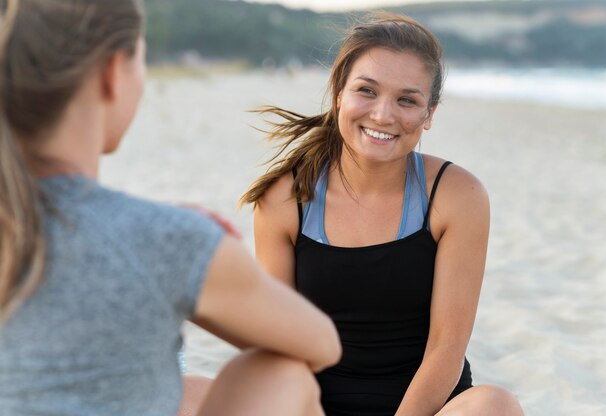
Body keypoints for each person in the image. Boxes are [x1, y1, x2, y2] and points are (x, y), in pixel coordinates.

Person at [0, 1, 341, 415]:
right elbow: (322, 343)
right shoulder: (161, 238)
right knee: (283, 373)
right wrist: (197, 268)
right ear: (111, 75)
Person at [241, 12, 524, 416]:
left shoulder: (458, 194)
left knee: (497, 405)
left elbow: (447, 347)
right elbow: (280, 345)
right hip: (312, 407)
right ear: (339, 93)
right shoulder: (286, 198)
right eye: (367, 91)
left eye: (407, 100)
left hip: (426, 408)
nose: (383, 115)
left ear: (429, 115)